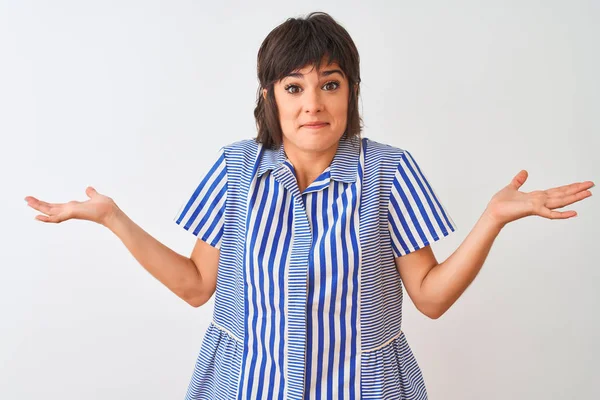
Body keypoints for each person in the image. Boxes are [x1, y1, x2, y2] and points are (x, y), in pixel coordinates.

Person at [25, 11, 594, 400]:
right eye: (294, 87)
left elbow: (430, 298)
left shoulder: (389, 171)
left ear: (351, 91)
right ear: (270, 96)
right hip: (245, 384)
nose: (312, 104)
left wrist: (492, 218)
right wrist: (113, 219)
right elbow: (198, 285)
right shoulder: (234, 169)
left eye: (330, 83)